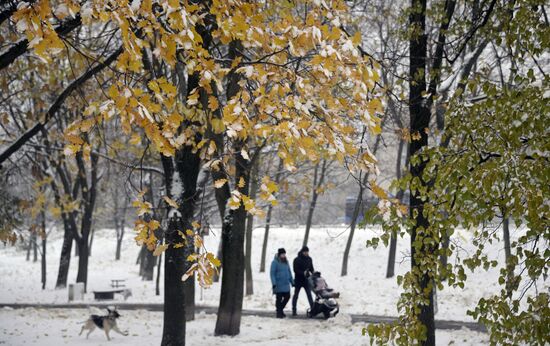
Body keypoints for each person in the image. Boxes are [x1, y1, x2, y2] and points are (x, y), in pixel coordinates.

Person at [270, 248, 294, 318]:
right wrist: (274, 283)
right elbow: (272, 274)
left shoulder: (286, 262)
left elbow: (289, 272)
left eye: (284, 254)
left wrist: (292, 282)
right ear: (279, 254)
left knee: (287, 297)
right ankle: (279, 313)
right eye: (282, 254)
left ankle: (280, 310)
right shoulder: (275, 262)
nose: (283, 255)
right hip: (278, 284)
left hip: (286, 284)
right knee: (279, 299)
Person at [291, 246, 314, 316]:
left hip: (306, 280)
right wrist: (303, 273)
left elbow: (311, 268)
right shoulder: (297, 260)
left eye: (307, 252)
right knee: (296, 295)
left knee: (309, 295)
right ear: (302, 252)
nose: (306, 253)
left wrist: (314, 273)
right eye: (305, 252)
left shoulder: (309, 259)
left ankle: (313, 309)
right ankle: (294, 309)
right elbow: (295, 270)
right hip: (298, 280)